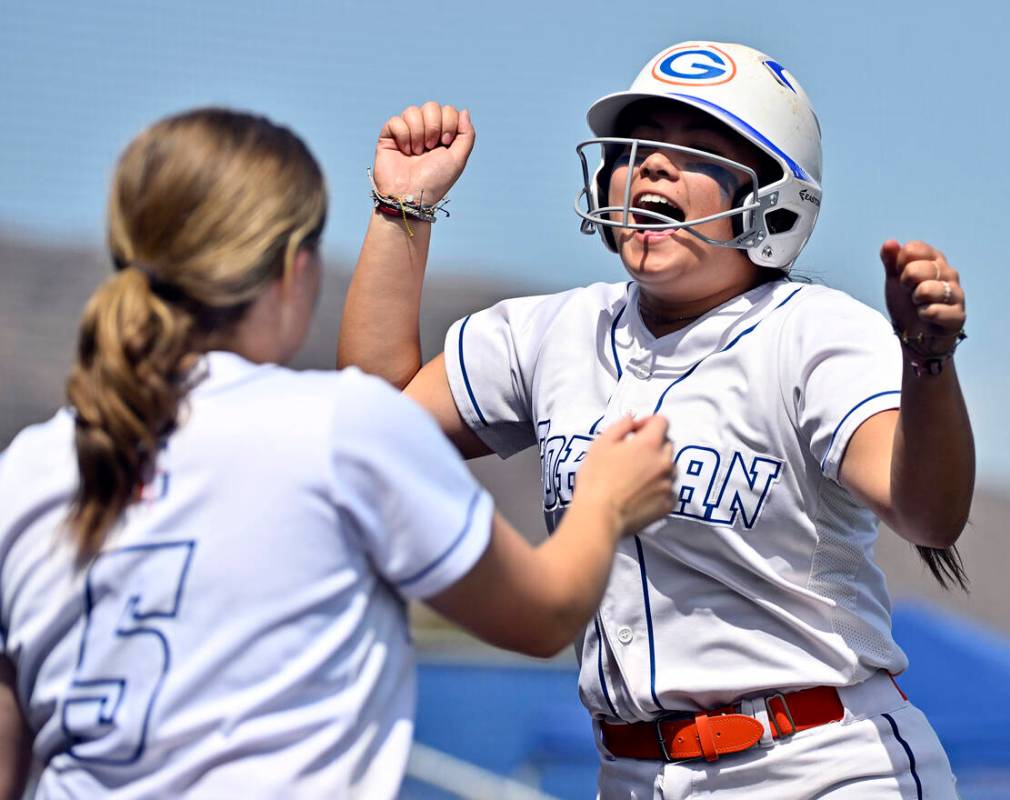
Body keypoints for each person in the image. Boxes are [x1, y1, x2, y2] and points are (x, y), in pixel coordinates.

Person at [339, 40, 974, 798]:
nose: (652, 167)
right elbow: (374, 424)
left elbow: (929, 515)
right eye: (636, 149)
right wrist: (400, 209)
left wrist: (926, 361)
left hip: (819, 763)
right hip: (631, 772)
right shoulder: (553, 332)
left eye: (697, 149)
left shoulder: (814, 332)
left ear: (774, 201)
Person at [0, 107, 678, 800]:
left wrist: (405, 206)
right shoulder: (340, 431)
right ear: (295, 267)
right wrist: (604, 501)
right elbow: (540, 617)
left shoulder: (27, 468)